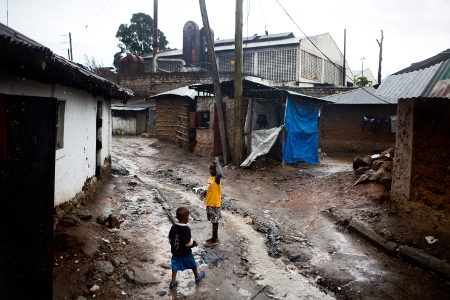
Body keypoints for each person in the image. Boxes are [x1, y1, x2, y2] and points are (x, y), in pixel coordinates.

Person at [168, 207, 205, 289]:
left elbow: (170, 238)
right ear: (186, 218)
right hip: (185, 252)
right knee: (192, 264)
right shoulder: (186, 229)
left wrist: (173, 245)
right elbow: (187, 243)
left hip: (175, 251)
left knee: (174, 266)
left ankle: (173, 281)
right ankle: (196, 277)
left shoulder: (173, 227)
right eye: (188, 216)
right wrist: (194, 243)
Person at [203, 157, 222, 247]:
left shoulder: (217, 179)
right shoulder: (210, 178)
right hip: (209, 203)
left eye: (213, 169)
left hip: (214, 204)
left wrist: (217, 163)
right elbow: (209, 188)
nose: (211, 171)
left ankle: (214, 240)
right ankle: (215, 237)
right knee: (213, 221)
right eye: (210, 169)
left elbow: (220, 173)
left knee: (215, 222)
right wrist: (204, 193)